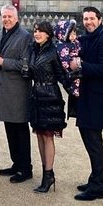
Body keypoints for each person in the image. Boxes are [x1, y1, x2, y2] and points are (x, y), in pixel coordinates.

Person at [69, 7, 103, 202]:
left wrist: (80, 65)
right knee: (92, 142)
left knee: (94, 143)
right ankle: (100, 180)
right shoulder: (86, 39)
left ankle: (97, 187)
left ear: (99, 20)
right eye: (85, 19)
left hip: (96, 99)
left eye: (91, 18)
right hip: (87, 98)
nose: (88, 22)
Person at [0, 4, 33, 183]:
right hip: (4, 90)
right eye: (4, 16)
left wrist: (3, 62)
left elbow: (26, 65)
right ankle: (16, 163)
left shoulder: (25, 36)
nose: (6, 19)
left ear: (16, 18)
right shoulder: (0, 34)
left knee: (21, 130)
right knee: (10, 129)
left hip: (18, 90)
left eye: (9, 16)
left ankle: (26, 168)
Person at [25, 21, 68, 194]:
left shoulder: (53, 51)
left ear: (48, 34)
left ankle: (48, 174)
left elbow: (62, 76)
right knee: (40, 135)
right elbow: (29, 71)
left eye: (40, 31)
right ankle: (46, 172)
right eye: (35, 31)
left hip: (50, 96)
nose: (37, 34)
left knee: (48, 136)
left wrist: (75, 86)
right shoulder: (33, 49)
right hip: (36, 95)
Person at [54, 19, 82, 118]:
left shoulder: (75, 42)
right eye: (71, 34)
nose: (73, 36)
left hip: (77, 65)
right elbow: (64, 60)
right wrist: (69, 67)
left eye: (74, 33)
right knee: (75, 82)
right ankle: (75, 92)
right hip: (70, 69)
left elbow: (80, 49)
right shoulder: (62, 45)